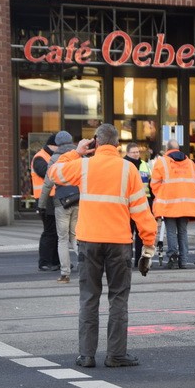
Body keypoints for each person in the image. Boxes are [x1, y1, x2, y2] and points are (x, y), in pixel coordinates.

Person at [47, 123, 157, 369]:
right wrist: (148, 247)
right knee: (118, 298)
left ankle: (87, 355)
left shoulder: (84, 165)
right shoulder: (128, 169)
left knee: (89, 297)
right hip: (119, 242)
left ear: (96, 142)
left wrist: (76, 151)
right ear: (118, 145)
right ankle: (116, 355)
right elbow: (141, 211)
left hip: (89, 240)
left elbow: (54, 172)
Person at [150, 140, 195, 269]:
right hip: (186, 204)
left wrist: (163, 194)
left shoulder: (162, 162)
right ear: (178, 149)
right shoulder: (190, 163)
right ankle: (184, 260)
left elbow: (154, 184)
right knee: (183, 232)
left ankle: (173, 259)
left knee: (171, 231)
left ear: (167, 149)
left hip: (169, 204)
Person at [38, 131, 82, 283]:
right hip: (78, 200)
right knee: (76, 236)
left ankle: (65, 274)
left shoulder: (55, 158)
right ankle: (85, 268)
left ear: (57, 143)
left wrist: (41, 205)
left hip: (61, 203)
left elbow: (47, 183)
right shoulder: (79, 156)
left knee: (62, 239)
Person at [30, 135, 61, 271]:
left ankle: (55, 261)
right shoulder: (39, 157)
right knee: (49, 232)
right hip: (45, 200)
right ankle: (44, 261)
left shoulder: (49, 156)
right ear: (52, 145)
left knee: (56, 232)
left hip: (53, 199)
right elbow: (45, 173)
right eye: (59, 146)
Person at [123, 143, 154, 267]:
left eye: (137, 152)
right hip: (127, 204)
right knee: (127, 234)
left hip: (143, 203)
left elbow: (151, 184)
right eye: (133, 152)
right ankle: (127, 259)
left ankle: (138, 260)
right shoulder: (123, 165)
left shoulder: (145, 165)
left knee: (142, 233)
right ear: (127, 153)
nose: (136, 154)